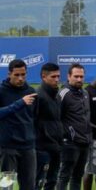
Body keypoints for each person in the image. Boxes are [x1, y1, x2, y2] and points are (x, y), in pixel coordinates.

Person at [0, 59, 37, 190]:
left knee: (29, 185)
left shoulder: (31, 91)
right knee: (7, 186)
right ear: (9, 74)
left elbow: (34, 117)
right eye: (17, 75)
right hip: (8, 147)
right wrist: (19, 103)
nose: (20, 78)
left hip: (28, 147)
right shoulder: (2, 91)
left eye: (23, 74)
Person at [57, 63, 92, 190]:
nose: (79, 79)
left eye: (81, 76)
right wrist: (66, 136)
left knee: (78, 176)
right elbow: (57, 118)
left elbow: (86, 118)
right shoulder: (63, 93)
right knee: (64, 176)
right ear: (68, 76)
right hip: (70, 143)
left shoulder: (85, 93)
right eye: (76, 76)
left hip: (85, 142)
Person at [35, 63, 62, 190]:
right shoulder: (38, 96)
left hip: (55, 147)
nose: (57, 79)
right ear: (43, 77)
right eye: (53, 77)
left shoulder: (56, 95)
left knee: (52, 182)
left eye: (58, 76)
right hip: (42, 148)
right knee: (38, 182)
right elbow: (32, 123)